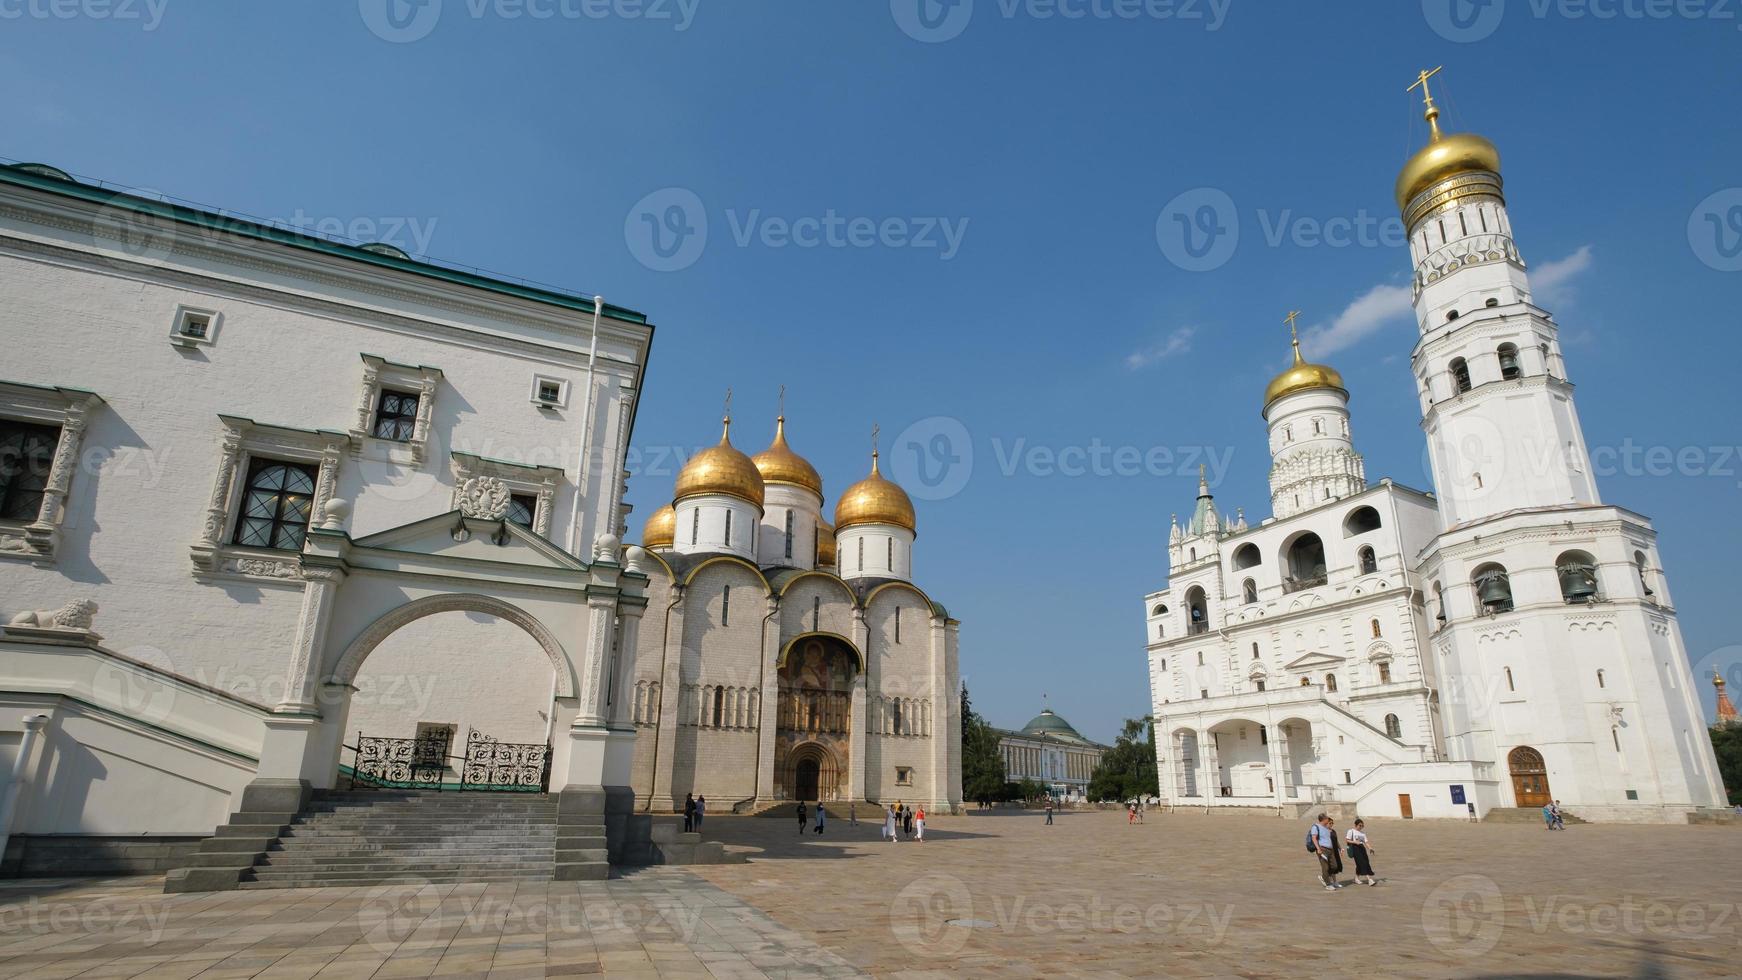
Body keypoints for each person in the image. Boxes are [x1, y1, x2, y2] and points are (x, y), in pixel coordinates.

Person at [1309, 814, 1341, 890]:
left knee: (1334, 866)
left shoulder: (1326, 827)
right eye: (1327, 818)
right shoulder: (1316, 826)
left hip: (1330, 849)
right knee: (1325, 867)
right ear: (1323, 819)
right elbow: (1314, 838)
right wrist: (1318, 849)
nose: (1328, 819)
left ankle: (1324, 877)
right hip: (1322, 849)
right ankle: (1328, 884)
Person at [1345, 818, 1378, 886]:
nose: (1361, 827)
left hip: (1362, 849)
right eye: (1360, 825)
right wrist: (1355, 842)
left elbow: (1366, 842)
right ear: (1355, 825)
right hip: (1355, 848)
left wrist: (1370, 848)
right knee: (1362, 863)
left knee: (1364, 862)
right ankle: (1369, 879)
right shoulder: (1351, 831)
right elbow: (1347, 840)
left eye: (1362, 826)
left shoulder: (1363, 833)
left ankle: (1356, 879)